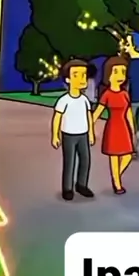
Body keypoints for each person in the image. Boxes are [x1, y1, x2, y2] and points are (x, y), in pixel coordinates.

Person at [51, 59, 95, 201]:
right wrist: (55, 135)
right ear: (68, 79)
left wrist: (91, 133)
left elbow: (89, 116)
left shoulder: (84, 100)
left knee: (85, 160)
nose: (82, 79)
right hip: (68, 135)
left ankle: (81, 185)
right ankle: (67, 188)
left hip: (83, 134)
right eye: (76, 75)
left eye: (84, 75)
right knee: (69, 162)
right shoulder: (64, 100)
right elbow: (57, 118)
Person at [92, 57, 136, 194]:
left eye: (123, 72)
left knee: (128, 156)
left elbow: (128, 112)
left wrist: (132, 128)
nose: (120, 76)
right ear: (108, 75)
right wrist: (89, 127)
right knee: (114, 157)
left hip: (124, 127)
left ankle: (116, 176)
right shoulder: (107, 94)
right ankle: (117, 184)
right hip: (112, 127)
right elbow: (97, 112)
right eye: (116, 72)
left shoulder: (125, 94)